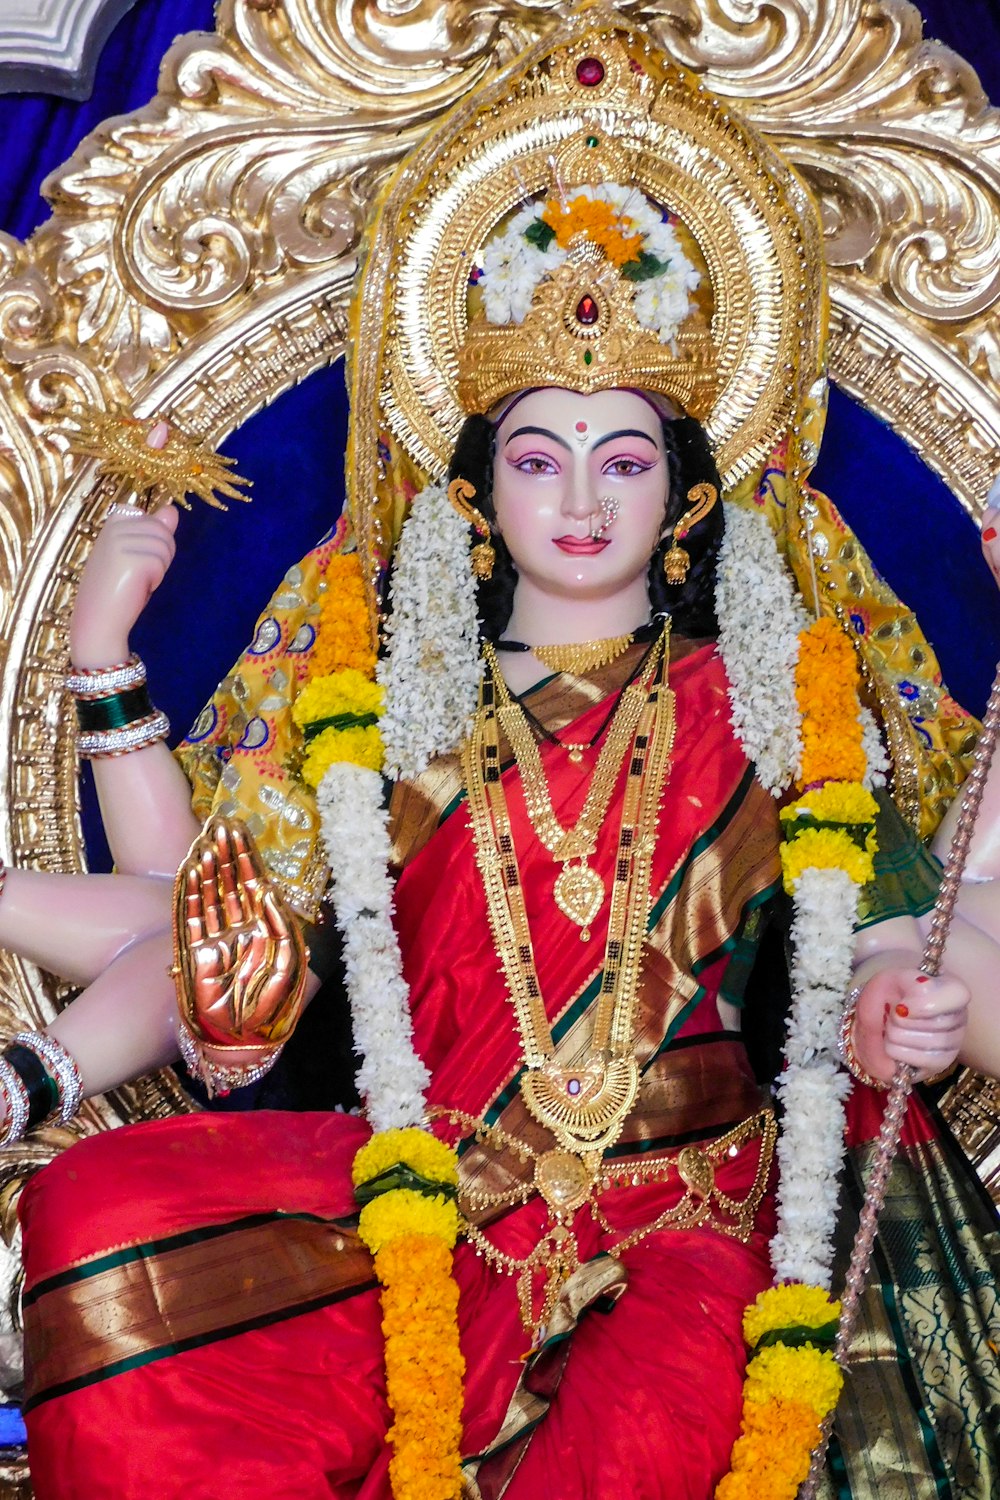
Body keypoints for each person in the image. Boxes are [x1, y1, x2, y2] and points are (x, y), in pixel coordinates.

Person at [4, 12, 1000, 1499]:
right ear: (474, 492)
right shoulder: (393, 702)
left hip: (694, 1217)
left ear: (682, 490)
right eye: (540, 457)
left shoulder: (780, 690)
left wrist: (894, 1010)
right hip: (439, 1198)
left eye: (627, 457)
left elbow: (915, 911)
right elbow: (209, 922)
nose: (584, 502)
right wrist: (102, 657)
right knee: (95, 1217)